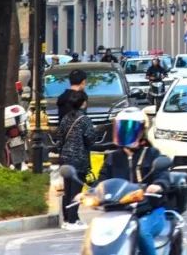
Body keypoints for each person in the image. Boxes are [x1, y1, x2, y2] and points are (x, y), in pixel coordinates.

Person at [95, 110, 170, 255]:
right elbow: (102, 181)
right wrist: (89, 194)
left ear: (142, 131)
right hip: (119, 212)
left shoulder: (152, 154)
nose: (125, 133)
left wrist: (158, 185)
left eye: (130, 128)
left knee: (141, 231)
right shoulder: (113, 157)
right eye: (121, 128)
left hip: (149, 210)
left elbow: (163, 175)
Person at [57, 90, 96, 230]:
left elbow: (59, 138)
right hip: (79, 159)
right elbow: (90, 139)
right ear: (83, 103)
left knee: (68, 189)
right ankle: (73, 220)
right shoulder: (84, 119)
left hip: (65, 158)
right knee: (76, 191)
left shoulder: (66, 118)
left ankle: (68, 218)